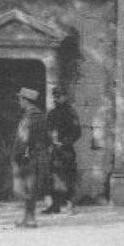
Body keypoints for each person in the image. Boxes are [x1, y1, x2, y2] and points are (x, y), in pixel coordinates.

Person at [11, 87, 52, 228]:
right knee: (31, 188)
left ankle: (30, 219)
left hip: (30, 155)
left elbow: (23, 139)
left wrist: (16, 156)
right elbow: (48, 137)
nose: (19, 102)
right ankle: (28, 218)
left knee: (29, 187)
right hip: (40, 154)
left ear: (25, 100)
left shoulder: (29, 117)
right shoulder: (41, 115)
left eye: (20, 99)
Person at [44, 86, 82, 215]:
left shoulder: (71, 112)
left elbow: (77, 132)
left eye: (58, 96)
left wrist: (64, 142)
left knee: (68, 177)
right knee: (54, 177)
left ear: (65, 97)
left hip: (66, 151)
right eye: (54, 96)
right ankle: (55, 205)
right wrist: (50, 141)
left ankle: (70, 206)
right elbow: (47, 130)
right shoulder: (52, 113)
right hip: (54, 150)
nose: (56, 98)